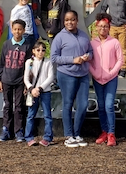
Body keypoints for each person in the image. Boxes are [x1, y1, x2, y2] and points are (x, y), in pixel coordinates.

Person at [51, 10, 93, 148]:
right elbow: (54, 58)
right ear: (64, 22)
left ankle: (77, 134)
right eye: (67, 20)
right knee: (68, 104)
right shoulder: (59, 37)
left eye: (73, 19)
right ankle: (69, 136)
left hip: (83, 75)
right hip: (66, 74)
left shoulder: (83, 35)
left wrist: (88, 56)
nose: (70, 22)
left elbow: (91, 52)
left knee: (82, 105)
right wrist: (72, 60)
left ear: (77, 21)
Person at [89, 13, 123, 146]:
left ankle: (111, 133)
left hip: (111, 79)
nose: (103, 29)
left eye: (105, 27)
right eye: (100, 26)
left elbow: (120, 60)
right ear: (96, 27)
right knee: (101, 106)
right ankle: (104, 131)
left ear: (109, 28)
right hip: (98, 79)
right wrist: (95, 73)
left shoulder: (114, 42)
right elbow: (89, 61)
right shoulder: (92, 43)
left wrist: (112, 73)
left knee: (109, 106)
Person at [0, 19, 32, 142]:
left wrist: (26, 84)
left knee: (19, 107)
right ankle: (6, 129)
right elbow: (1, 63)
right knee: (7, 105)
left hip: (19, 81)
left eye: (20, 29)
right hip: (6, 79)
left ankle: (18, 131)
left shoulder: (27, 46)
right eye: (15, 29)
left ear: (23, 30)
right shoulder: (6, 44)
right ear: (12, 30)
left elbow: (29, 66)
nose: (17, 32)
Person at [100, 0, 126, 78]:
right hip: (112, 26)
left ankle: (123, 69)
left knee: (122, 48)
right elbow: (103, 8)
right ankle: (113, 67)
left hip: (123, 26)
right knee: (111, 48)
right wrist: (105, 21)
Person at [24, 41, 54, 147]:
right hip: (33, 92)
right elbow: (26, 78)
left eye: (43, 50)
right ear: (33, 51)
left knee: (47, 115)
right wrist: (31, 88)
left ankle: (48, 137)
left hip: (45, 91)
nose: (40, 52)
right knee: (31, 115)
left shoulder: (48, 62)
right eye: (38, 50)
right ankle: (29, 137)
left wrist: (40, 88)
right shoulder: (29, 62)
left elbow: (50, 77)